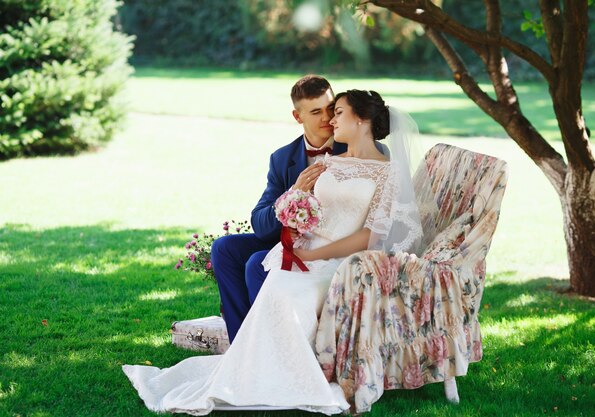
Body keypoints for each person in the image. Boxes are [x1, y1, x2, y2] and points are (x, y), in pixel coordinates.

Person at [122, 90, 422, 415]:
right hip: (298, 248)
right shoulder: (324, 162)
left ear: (361, 119)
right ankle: (247, 362)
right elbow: (287, 212)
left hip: (338, 261)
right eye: (324, 113)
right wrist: (297, 205)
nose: (330, 120)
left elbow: (370, 235)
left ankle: (285, 373)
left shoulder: (388, 171)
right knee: (253, 269)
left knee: (284, 293)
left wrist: (315, 255)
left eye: (337, 113)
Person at [211, 74, 346, 343]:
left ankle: (271, 346)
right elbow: (260, 224)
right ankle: (242, 344)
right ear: (298, 117)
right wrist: (294, 193)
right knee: (224, 248)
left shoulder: (356, 147)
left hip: (333, 245)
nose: (327, 118)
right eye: (316, 111)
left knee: (255, 264)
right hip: (290, 241)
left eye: (330, 108)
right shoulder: (283, 158)